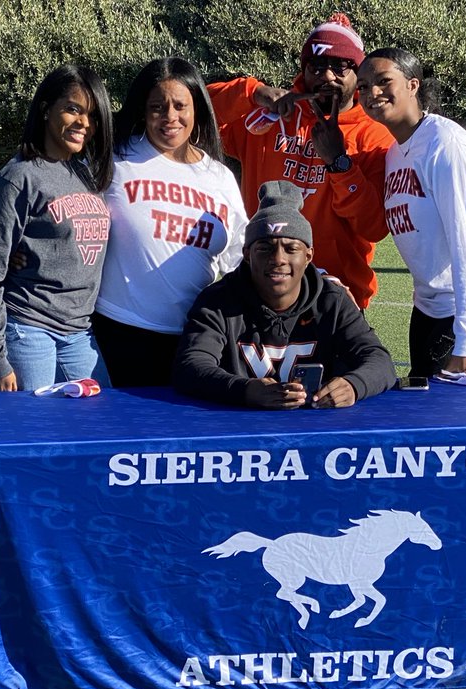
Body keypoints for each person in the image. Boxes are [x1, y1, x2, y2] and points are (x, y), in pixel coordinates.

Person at [356, 47, 466, 386]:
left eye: (383, 81)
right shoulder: (395, 152)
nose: (372, 92)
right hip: (432, 301)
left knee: (445, 406)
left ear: (413, 85)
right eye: (362, 86)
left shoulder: (445, 145)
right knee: (420, 395)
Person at [207, 13, 394, 309]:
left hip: (335, 296)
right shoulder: (270, 117)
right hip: (260, 285)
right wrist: (252, 93)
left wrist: (338, 163)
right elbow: (194, 115)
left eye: (339, 66)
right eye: (316, 66)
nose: (327, 76)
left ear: (357, 72)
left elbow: (374, 227)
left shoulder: (375, 134)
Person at [92, 57, 249, 387]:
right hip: (117, 331)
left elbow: (241, 255)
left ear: (197, 109)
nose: (170, 117)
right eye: (157, 107)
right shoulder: (116, 158)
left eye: (180, 105)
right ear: (142, 109)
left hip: (194, 340)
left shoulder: (219, 176)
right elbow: (64, 202)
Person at [174, 181, 396, 409]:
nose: (278, 259)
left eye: (291, 249)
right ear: (247, 254)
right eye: (265, 248)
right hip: (240, 431)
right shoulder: (218, 301)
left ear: (309, 256)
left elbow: (379, 361)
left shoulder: (332, 301)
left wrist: (353, 385)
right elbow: (191, 366)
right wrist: (245, 390)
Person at [0, 64, 114, 391]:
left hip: (80, 333)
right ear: (47, 109)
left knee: (93, 430)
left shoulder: (87, 172)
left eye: (92, 115)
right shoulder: (18, 178)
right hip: (29, 329)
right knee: (32, 434)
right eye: (73, 109)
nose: (84, 123)